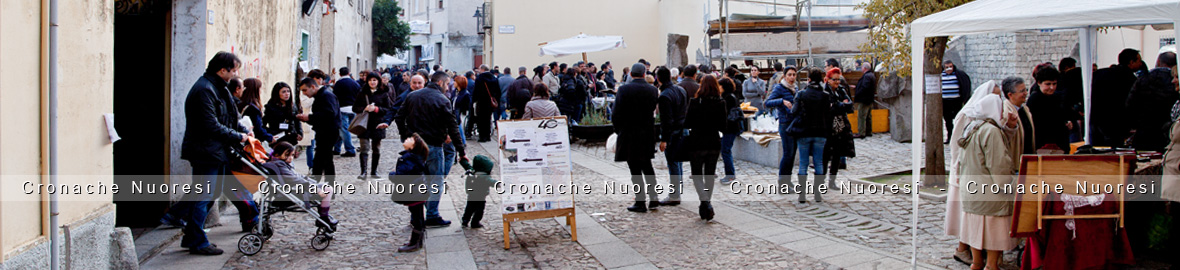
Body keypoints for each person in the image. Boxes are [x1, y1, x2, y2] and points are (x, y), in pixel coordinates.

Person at [176, 51, 254, 255]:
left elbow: (230, 116)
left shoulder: (219, 88)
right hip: (205, 152)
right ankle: (197, 241)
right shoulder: (204, 90)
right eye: (234, 70)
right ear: (222, 70)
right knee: (203, 196)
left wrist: (244, 131)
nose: (236, 73)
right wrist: (238, 137)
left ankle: (192, 236)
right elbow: (210, 125)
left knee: (207, 196)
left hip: (216, 151)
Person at [944, 80, 1007, 265]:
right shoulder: (972, 119)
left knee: (974, 220)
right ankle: (972, 254)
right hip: (971, 176)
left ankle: (977, 259)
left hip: (972, 178)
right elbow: (958, 146)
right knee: (976, 220)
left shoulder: (982, 124)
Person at [394, 71, 468, 227]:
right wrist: (461, 151)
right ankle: (432, 215)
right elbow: (453, 127)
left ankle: (417, 216)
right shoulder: (442, 99)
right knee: (435, 181)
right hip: (433, 146)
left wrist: (406, 135)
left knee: (418, 179)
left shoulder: (413, 96)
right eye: (447, 84)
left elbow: (399, 117)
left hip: (415, 146)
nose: (448, 87)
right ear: (440, 83)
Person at [957, 94, 1017, 270]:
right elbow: (998, 164)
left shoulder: (972, 127)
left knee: (976, 229)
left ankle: (977, 263)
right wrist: (1007, 186)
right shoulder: (990, 131)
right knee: (993, 231)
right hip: (990, 192)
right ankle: (991, 265)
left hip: (973, 189)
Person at [613, 63, 660, 213]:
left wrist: (618, 130)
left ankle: (640, 201)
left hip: (629, 132)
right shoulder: (652, 90)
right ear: (644, 73)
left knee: (634, 169)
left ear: (631, 74)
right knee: (647, 166)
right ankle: (653, 197)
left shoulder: (624, 89)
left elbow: (616, 113)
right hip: (646, 132)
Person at [262, 142, 337, 230]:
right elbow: (295, 180)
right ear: (277, 155)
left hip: (295, 188)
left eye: (292, 155)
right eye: (287, 155)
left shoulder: (282, 163)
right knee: (328, 189)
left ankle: (324, 216)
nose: (290, 158)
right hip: (293, 191)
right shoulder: (280, 165)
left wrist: (314, 184)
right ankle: (324, 217)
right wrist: (315, 188)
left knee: (327, 187)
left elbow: (299, 177)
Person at [684, 74, 726, 220]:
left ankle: (705, 202)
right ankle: (706, 204)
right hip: (713, 141)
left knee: (696, 174)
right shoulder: (720, 102)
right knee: (709, 174)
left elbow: (687, 122)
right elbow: (723, 125)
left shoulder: (695, 102)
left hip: (697, 141)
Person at [789, 67, 832, 203]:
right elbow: (828, 114)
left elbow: (794, 112)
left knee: (803, 163)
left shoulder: (801, 94)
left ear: (809, 79)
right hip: (820, 132)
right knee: (819, 162)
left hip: (804, 132)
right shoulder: (825, 95)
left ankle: (802, 195)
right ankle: (817, 194)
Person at [296, 74, 341, 188]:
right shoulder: (322, 95)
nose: (304, 93)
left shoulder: (326, 95)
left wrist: (309, 118)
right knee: (321, 160)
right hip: (324, 131)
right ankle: (317, 185)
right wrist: (309, 119)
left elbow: (330, 114)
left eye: (305, 90)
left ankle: (325, 186)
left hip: (328, 132)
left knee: (324, 160)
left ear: (313, 86)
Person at [1092, 49, 1143, 146]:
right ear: (1131, 62)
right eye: (1139, 61)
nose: (1141, 64)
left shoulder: (1100, 73)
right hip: (1117, 124)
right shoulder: (1131, 80)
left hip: (1097, 120)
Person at [390, 133, 431, 252]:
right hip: (419, 191)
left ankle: (415, 242)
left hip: (413, 193)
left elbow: (401, 177)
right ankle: (418, 240)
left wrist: (392, 174)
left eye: (410, 139)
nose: (406, 139)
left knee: (417, 217)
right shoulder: (418, 157)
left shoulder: (407, 158)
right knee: (418, 215)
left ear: (413, 146)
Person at [655, 67, 689, 206]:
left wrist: (664, 139)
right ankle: (676, 192)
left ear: (658, 79)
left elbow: (666, 120)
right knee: (678, 163)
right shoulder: (680, 90)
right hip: (683, 129)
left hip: (674, 132)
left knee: (674, 163)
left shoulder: (665, 95)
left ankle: (675, 194)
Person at [353, 71, 396, 179]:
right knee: (364, 147)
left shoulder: (383, 93)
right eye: (370, 80)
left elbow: (388, 109)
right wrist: (364, 108)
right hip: (364, 124)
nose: (372, 82)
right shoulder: (362, 92)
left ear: (378, 81)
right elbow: (355, 107)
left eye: (374, 80)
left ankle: (374, 171)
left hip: (377, 123)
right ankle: (363, 172)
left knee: (376, 148)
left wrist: (376, 109)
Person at [1126, 67, 1180, 152]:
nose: (1173, 81)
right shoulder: (1174, 98)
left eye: (1176, 77)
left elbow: (1130, 105)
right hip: (1167, 139)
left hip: (1143, 134)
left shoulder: (1144, 79)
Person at [766, 66, 801, 193]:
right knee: (787, 153)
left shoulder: (795, 88)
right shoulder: (779, 87)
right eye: (790, 75)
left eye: (794, 75)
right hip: (785, 124)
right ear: (785, 76)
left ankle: (788, 180)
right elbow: (768, 102)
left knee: (792, 154)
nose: (792, 77)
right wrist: (782, 101)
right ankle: (782, 183)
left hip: (794, 123)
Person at [1025, 66, 1072, 153]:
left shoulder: (1057, 97)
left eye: (1054, 84)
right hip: (1042, 145)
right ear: (1039, 83)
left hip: (1059, 144)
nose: (1052, 87)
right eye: (1048, 84)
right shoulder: (1034, 100)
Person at [822, 70, 854, 190]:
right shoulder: (825, 91)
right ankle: (822, 180)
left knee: (837, 155)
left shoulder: (841, 90)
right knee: (825, 156)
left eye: (838, 79)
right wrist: (840, 105)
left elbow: (849, 105)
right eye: (834, 79)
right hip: (828, 127)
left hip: (840, 127)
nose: (837, 82)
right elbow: (829, 108)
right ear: (828, 79)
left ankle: (832, 180)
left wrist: (839, 105)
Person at [715, 77, 744, 185]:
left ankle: (730, 175)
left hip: (730, 128)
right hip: (729, 128)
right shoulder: (728, 96)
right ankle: (730, 174)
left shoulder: (728, 98)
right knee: (725, 150)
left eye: (719, 86)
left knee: (726, 150)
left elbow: (725, 114)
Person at [459, 155, 498, 228]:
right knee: (479, 210)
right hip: (481, 196)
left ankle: (465, 220)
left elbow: (466, 165)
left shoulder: (472, 171)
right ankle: (475, 223)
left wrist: (462, 160)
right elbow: (493, 182)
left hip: (471, 194)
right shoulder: (485, 177)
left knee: (469, 208)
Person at [941, 60, 973, 144]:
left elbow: (965, 85)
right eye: (947, 67)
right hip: (945, 102)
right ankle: (949, 136)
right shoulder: (941, 75)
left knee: (958, 118)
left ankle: (958, 135)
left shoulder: (958, 74)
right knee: (947, 120)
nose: (949, 69)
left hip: (956, 101)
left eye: (950, 67)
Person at [263, 82, 303, 146]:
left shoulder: (292, 106)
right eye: (283, 92)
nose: (287, 94)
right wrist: (270, 134)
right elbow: (263, 123)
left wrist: (299, 133)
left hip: (291, 138)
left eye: (288, 91)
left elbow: (297, 121)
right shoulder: (270, 107)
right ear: (277, 93)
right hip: (277, 138)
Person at [334, 67, 361, 157]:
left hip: (342, 109)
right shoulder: (355, 83)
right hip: (353, 109)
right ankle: (337, 148)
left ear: (340, 74)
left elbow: (334, 97)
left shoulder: (338, 84)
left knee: (344, 130)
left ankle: (350, 149)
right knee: (341, 129)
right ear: (349, 73)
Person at [238, 78, 273, 143]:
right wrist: (269, 137)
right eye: (260, 88)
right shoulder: (253, 109)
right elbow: (258, 129)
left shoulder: (239, 104)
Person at [473, 65, 501, 142]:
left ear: (482, 69)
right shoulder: (494, 78)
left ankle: (482, 136)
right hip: (490, 102)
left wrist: (474, 100)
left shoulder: (479, 78)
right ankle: (488, 135)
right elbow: (498, 91)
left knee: (481, 119)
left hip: (481, 101)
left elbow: (476, 91)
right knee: (488, 118)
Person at [853, 62, 877, 138]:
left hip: (864, 99)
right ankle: (868, 131)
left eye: (862, 67)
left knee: (861, 116)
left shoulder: (866, 76)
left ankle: (861, 132)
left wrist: (858, 92)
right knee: (868, 116)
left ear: (864, 68)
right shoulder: (871, 75)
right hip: (869, 99)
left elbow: (865, 87)